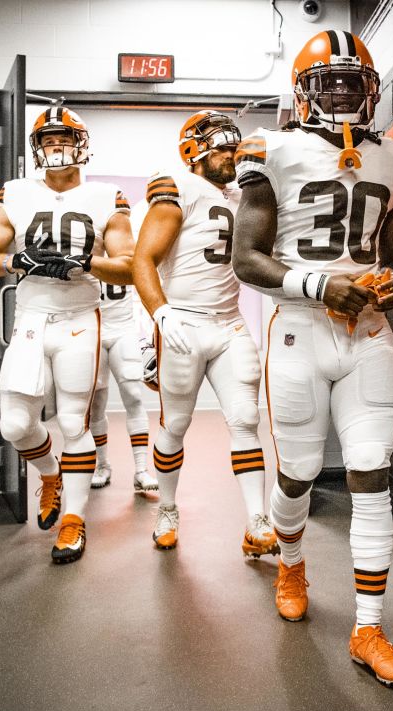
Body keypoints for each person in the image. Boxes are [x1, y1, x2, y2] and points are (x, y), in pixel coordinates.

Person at [231, 30, 393, 687]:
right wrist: (318, 283)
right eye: (328, 82)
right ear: (304, 91)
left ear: (369, 88)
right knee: (299, 474)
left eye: (352, 82)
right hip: (300, 328)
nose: (342, 93)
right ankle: (290, 559)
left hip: (366, 331)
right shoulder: (270, 150)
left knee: (372, 473)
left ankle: (368, 626)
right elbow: (246, 258)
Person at [0, 107, 134, 564]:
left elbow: (129, 265)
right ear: (36, 148)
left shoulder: (105, 196)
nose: (57, 148)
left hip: (81, 316)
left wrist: (86, 265)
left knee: (75, 422)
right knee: (15, 425)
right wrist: (15, 262)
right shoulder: (17, 193)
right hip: (31, 318)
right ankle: (50, 473)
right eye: (49, 140)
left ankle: (74, 522)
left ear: (82, 144)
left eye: (65, 139)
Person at [132, 110, 279, 559]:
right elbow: (143, 260)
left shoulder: (244, 195)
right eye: (222, 146)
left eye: (234, 146)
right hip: (184, 324)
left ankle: (256, 519)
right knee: (175, 425)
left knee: (245, 420)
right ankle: (168, 509)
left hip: (230, 323)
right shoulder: (177, 185)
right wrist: (160, 316)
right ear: (195, 151)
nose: (231, 153)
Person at [86, 276, 154, 494]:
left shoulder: (125, 246)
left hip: (123, 328)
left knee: (133, 395)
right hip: (90, 327)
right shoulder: (85, 242)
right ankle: (102, 464)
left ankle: (141, 469)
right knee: (96, 402)